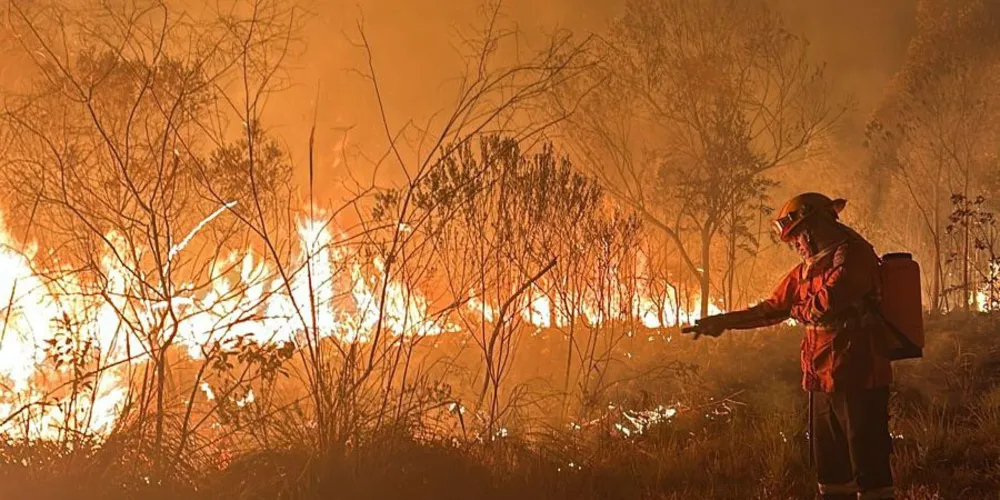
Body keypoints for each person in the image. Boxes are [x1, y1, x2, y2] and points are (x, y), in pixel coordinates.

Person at [683, 192, 894, 500]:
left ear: (816, 225)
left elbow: (825, 305)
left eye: (797, 237)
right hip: (821, 379)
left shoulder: (856, 256)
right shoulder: (808, 268)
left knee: (869, 471)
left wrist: (795, 310)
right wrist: (723, 321)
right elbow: (772, 307)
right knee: (832, 474)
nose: (796, 246)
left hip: (860, 375)